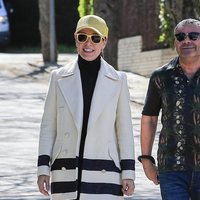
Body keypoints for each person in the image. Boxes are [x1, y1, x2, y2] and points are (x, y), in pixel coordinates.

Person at [37, 14, 135, 200]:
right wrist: (43, 168)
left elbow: (124, 131)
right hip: (65, 170)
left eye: (95, 38)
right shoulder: (58, 77)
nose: (88, 43)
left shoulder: (118, 80)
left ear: (104, 42)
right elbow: (48, 126)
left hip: (105, 171)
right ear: (75, 39)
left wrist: (128, 173)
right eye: (82, 37)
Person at [138, 18, 200, 200]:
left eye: (193, 36)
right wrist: (146, 159)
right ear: (175, 42)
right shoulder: (161, 77)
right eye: (180, 36)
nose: (186, 40)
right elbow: (149, 118)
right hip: (171, 169)